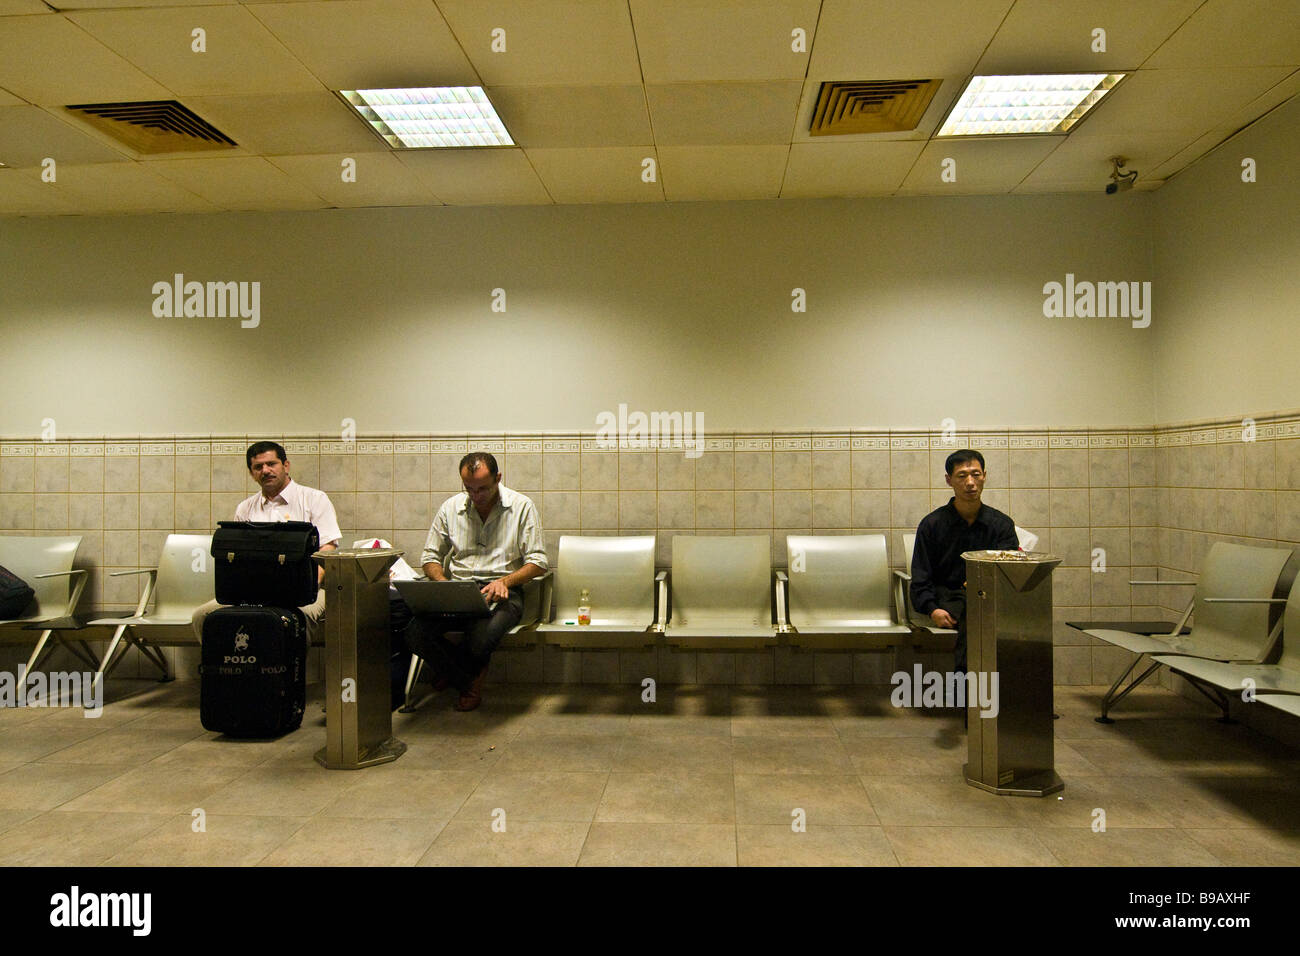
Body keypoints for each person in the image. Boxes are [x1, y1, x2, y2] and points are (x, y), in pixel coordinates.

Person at [403, 451, 547, 712]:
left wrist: (505, 581)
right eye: (469, 489)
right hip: (458, 588)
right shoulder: (451, 508)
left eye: (483, 488)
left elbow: (537, 562)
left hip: (504, 591)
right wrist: (442, 582)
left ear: (498, 478)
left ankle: (455, 676)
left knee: (482, 636)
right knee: (414, 631)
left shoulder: (521, 506)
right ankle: (467, 678)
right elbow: (430, 557)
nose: (476, 495)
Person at [191, 441, 341, 645]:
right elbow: (237, 557)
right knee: (202, 616)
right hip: (254, 591)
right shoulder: (245, 508)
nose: (266, 470)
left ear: (286, 466)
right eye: (258, 467)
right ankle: (228, 673)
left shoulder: (315, 499)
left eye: (272, 464)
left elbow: (328, 548)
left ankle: (290, 676)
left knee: (297, 619)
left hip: (306, 593)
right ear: (251, 473)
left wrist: (308, 586)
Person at [909, 449, 1018, 677]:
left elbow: (1008, 572)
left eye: (976, 474)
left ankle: (991, 686)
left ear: (984, 476)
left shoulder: (1001, 525)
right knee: (973, 610)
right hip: (947, 596)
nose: (970, 482)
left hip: (990, 598)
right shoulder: (932, 525)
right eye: (962, 476)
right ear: (949, 480)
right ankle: (970, 685)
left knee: (981, 607)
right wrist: (932, 609)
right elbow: (921, 577)